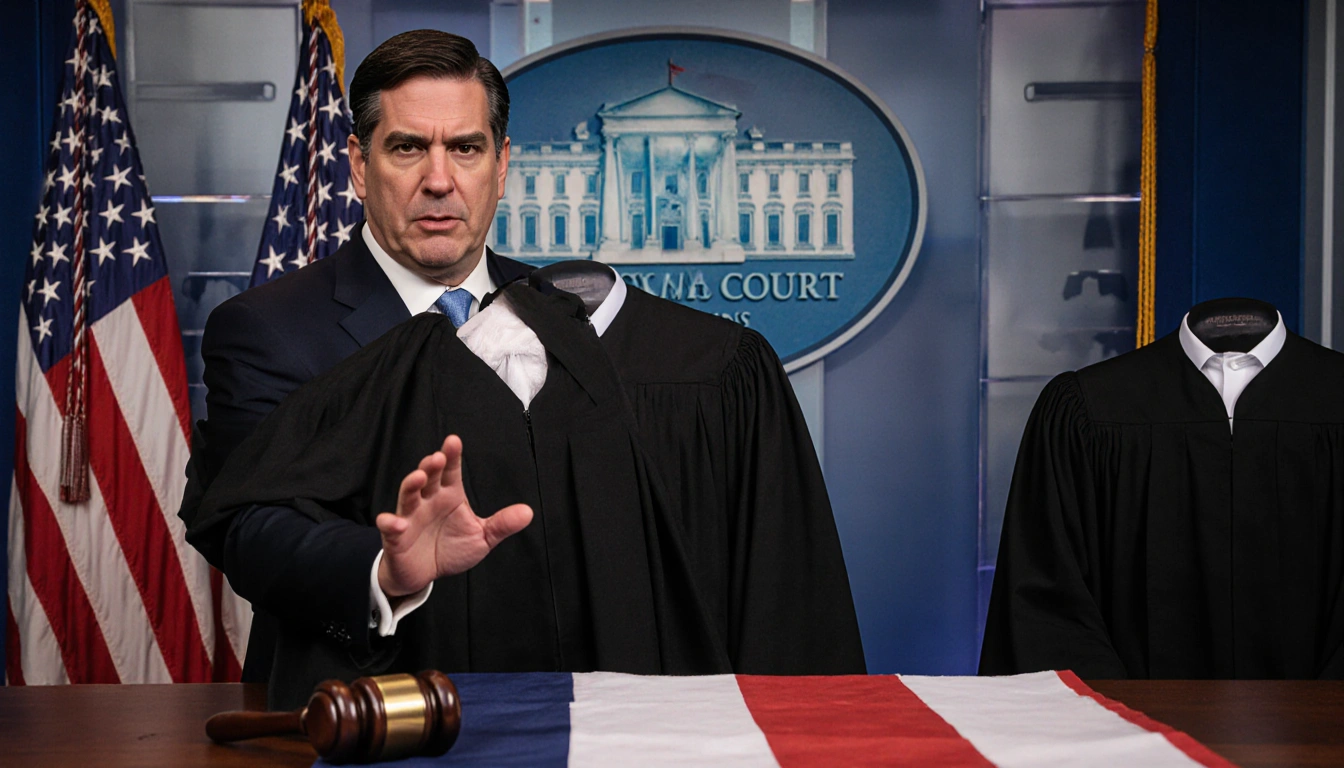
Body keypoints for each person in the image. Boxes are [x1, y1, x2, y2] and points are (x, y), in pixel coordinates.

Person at [179, 30, 532, 681]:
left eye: (465, 148)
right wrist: (381, 569)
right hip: (356, 709)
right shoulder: (263, 330)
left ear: (501, 164)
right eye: (407, 148)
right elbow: (251, 529)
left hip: (546, 703)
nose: (438, 179)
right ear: (359, 166)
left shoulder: (557, 317)